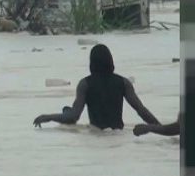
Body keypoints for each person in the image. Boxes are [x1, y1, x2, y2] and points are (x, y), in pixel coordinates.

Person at [32, 44, 161, 130]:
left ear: (91, 63)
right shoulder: (123, 83)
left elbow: (73, 116)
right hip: (118, 134)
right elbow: (141, 110)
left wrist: (47, 117)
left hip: (95, 133)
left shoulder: (85, 84)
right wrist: (160, 128)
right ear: (110, 61)